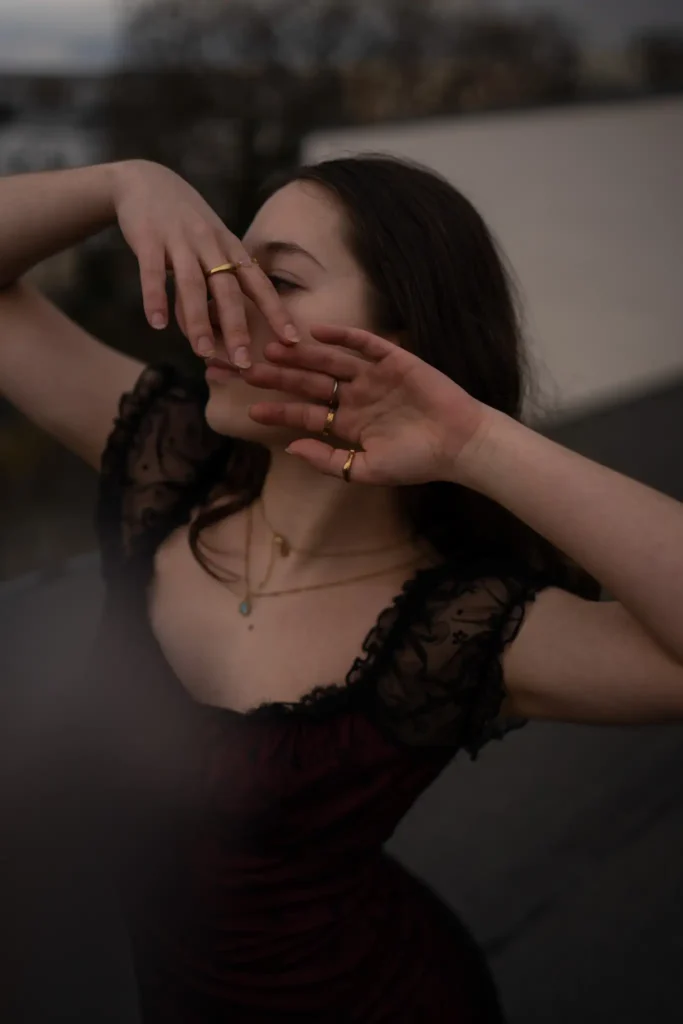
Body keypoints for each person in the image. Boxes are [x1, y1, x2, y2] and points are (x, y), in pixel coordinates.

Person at [1, 155, 682, 1024]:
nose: (219, 301)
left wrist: (472, 443)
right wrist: (124, 183)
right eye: (224, 266)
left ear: (403, 343)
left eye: (278, 280)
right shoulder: (168, 464)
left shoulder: (455, 629)